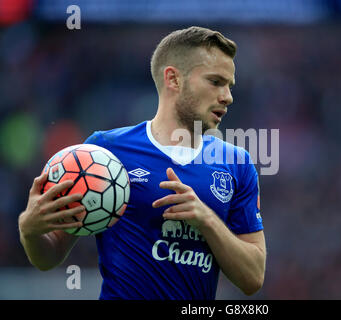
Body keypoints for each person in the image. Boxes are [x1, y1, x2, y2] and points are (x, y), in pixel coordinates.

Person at [18, 26, 266, 300]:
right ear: (173, 79)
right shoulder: (104, 151)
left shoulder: (237, 164)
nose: (227, 96)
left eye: (229, 86)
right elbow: (49, 256)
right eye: (216, 82)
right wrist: (31, 232)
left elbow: (253, 278)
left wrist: (207, 220)